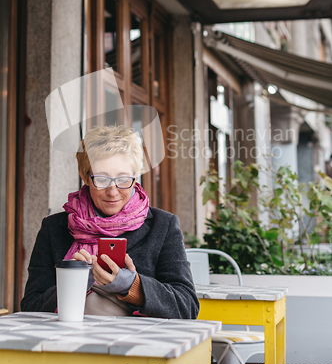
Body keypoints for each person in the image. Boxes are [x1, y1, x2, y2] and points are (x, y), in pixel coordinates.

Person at [21, 125, 199, 319]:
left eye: (123, 179)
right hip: (68, 343)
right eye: (102, 179)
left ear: (135, 176)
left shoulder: (163, 226)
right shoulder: (53, 229)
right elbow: (30, 307)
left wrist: (132, 285)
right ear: (85, 177)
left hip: (139, 344)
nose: (113, 191)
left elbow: (187, 306)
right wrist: (73, 282)